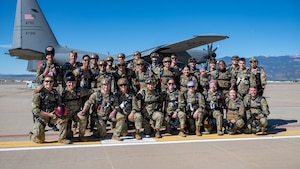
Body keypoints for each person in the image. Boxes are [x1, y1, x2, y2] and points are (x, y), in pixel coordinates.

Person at [29, 75, 70, 144]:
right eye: (47, 81)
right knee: (39, 141)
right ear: (43, 82)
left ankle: (62, 138)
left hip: (53, 115)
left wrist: (61, 111)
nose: (49, 83)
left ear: (53, 82)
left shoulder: (55, 93)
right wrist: (48, 114)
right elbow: (35, 109)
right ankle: (32, 136)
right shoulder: (39, 93)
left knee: (63, 120)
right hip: (42, 116)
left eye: (51, 81)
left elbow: (60, 103)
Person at [60, 72, 93, 142]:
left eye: (73, 82)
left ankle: (81, 136)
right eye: (69, 82)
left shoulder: (79, 91)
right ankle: (62, 138)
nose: (71, 84)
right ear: (66, 83)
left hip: (76, 113)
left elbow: (90, 91)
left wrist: (101, 90)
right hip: (67, 114)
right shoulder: (62, 92)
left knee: (83, 118)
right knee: (69, 135)